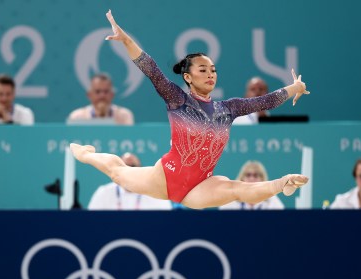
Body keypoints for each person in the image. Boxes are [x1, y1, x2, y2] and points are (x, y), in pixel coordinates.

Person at [70, 10, 309, 210]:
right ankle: (86, 154)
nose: (210, 74)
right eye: (203, 70)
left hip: (200, 186)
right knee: (117, 172)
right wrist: (126, 41)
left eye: (213, 70)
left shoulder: (229, 109)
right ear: (188, 76)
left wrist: (294, 87)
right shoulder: (178, 100)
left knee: (237, 189)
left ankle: (283, 183)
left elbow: (264, 102)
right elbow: (151, 70)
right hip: (165, 178)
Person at [88, 152, 173, 210]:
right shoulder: (103, 193)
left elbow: (165, 221)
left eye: (133, 167)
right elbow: (92, 221)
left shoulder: (156, 194)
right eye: (125, 166)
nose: (129, 171)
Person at [67, 73, 134, 125]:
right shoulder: (76, 117)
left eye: (106, 91)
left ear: (112, 95)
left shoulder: (125, 116)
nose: (102, 95)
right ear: (89, 95)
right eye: (97, 91)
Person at [219, 161, 284, 210]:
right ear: (242, 178)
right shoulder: (232, 197)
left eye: (255, 175)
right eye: (248, 175)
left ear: (262, 178)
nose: (251, 178)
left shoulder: (270, 198)